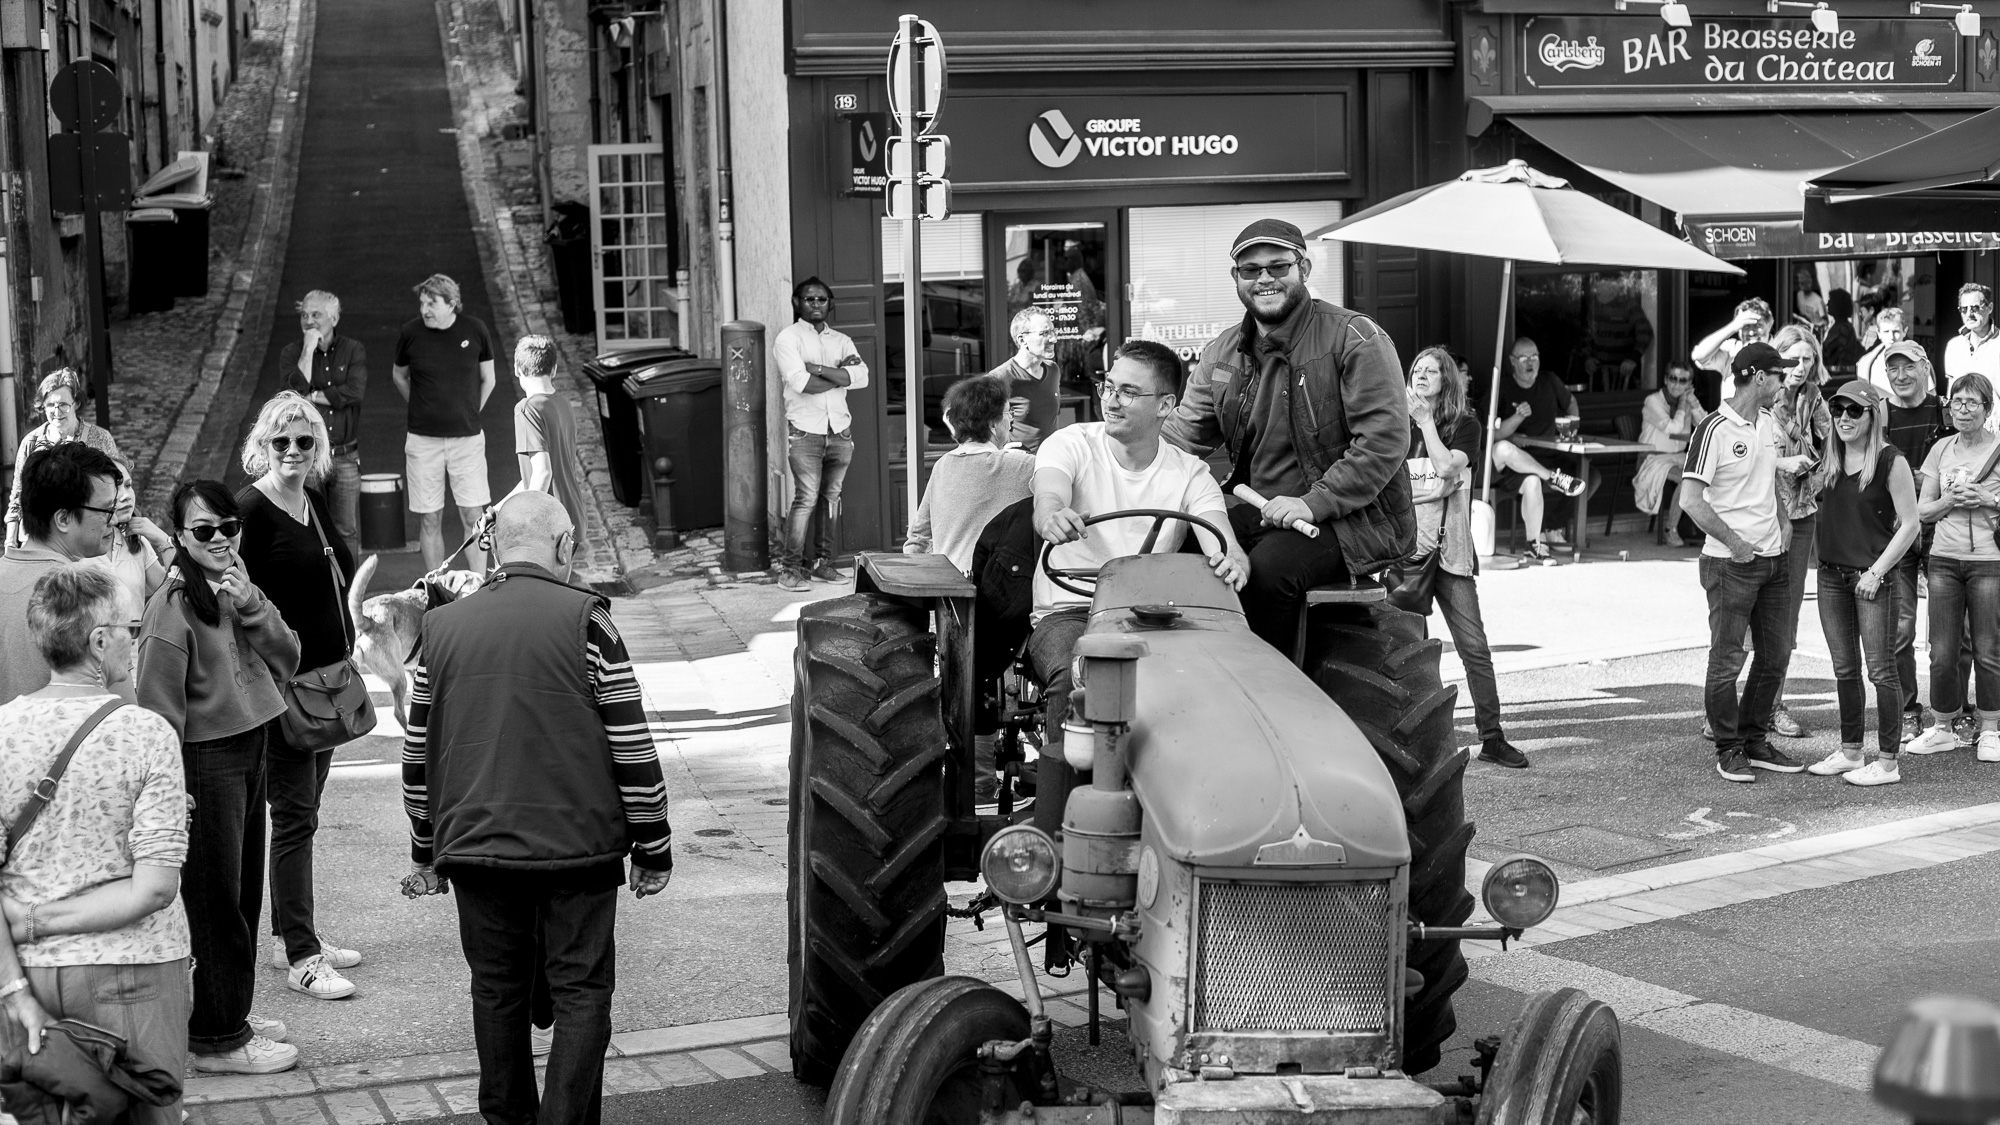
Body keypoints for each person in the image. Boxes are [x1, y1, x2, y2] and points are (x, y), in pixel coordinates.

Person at [400, 491, 673, 1125]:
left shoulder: (439, 631)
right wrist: (653, 844)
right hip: (578, 849)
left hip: (474, 847)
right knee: (581, 993)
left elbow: (417, 760)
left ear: (494, 546)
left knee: (496, 990)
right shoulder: (588, 618)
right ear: (564, 546)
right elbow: (632, 744)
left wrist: (427, 849)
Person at [1163, 218, 1413, 649]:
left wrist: (1310, 503)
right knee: (1178, 553)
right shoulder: (1222, 351)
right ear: (1236, 278)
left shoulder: (1356, 337)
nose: (1265, 278)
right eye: (1251, 269)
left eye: (1278, 267)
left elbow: (1383, 441)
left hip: (1346, 518)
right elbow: (1182, 435)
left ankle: (1271, 696)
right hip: (1256, 509)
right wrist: (1108, 457)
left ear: (1305, 269)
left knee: (1267, 574)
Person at [1033, 340, 1249, 837]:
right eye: (1109, 386)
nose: (1111, 400)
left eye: (1129, 392)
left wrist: (1232, 558)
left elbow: (1220, 536)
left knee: (1212, 688)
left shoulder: (1190, 473)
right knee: (1077, 682)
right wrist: (1051, 514)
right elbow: (1049, 492)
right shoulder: (1070, 445)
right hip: (1072, 611)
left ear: (1166, 406)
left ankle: (1206, 826)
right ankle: (1054, 847)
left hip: (1156, 617)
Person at [0, 566, 192, 1125]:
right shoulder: (145, 732)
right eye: (129, 626)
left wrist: (15, 989)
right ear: (99, 640)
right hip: (134, 970)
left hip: (27, 978)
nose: (135, 638)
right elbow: (155, 887)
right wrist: (38, 920)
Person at [135, 480, 301, 1075]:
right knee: (215, 902)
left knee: (241, 894)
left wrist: (252, 600)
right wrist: (169, 788)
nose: (220, 540)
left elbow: (289, 657)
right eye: (203, 531)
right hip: (206, 762)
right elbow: (156, 712)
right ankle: (219, 1039)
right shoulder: (173, 607)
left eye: (229, 527)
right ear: (179, 537)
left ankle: (230, 1014)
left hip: (252, 742)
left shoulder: (235, 585)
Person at [233, 393, 364, 1001]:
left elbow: (339, 569)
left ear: (318, 449)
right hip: (285, 691)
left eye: (304, 442)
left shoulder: (309, 500)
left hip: (325, 685)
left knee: (303, 816)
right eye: (280, 442)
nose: (292, 452)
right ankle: (302, 957)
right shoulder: (249, 512)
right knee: (291, 819)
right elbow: (230, 601)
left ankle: (295, 930)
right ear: (262, 445)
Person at [1679, 342, 1799, 784]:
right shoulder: (1713, 428)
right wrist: (1735, 542)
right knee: (1727, 659)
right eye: (1779, 375)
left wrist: (1783, 521)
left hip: (1772, 558)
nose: (1784, 383)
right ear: (1759, 377)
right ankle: (1728, 748)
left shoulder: (1767, 421)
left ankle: (1753, 739)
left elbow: (1766, 479)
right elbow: (1690, 500)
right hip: (1731, 563)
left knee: (1776, 655)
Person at [1406, 348, 1528, 769]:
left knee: (1474, 649)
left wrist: (1424, 423)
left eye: (1432, 371)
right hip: (1406, 555)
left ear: (1446, 382)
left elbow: (1444, 467)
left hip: (1451, 553)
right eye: (1417, 370)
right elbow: (1387, 488)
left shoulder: (1465, 426)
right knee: (1409, 651)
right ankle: (1415, 741)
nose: (1421, 376)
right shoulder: (1393, 426)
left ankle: (1492, 738)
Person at [1804, 382, 1921, 787]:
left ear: (1873, 415)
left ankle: (1888, 762)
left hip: (1872, 579)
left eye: (1855, 411)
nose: (1844, 418)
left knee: (1881, 671)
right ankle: (1852, 751)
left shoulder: (1891, 461)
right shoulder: (1829, 458)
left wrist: (1877, 572)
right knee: (1844, 669)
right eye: (1838, 410)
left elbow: (1911, 524)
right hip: (1831, 576)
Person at [1905, 373, 2000, 762]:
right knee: (1941, 651)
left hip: (1989, 560)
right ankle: (1943, 725)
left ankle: (1991, 727)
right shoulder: (1941, 449)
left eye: (1972, 403)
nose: (1963, 409)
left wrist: (1986, 498)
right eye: (1957, 402)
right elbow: (1921, 510)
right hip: (1944, 558)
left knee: (1989, 649)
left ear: (1987, 408)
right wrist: (1948, 501)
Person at [0, 443, 121, 705]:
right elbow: (117, 704)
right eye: (107, 510)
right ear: (63, 519)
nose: (115, 520)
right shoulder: (84, 594)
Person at [393, 274, 497, 573]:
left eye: (431, 303)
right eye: (422, 303)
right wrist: (419, 404)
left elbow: (488, 378)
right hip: (423, 441)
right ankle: (436, 586)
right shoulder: (410, 333)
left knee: (472, 515)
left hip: (467, 440)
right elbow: (399, 376)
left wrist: (471, 411)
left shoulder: (475, 329)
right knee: (429, 517)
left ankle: (477, 586)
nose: (424, 309)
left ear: (452, 304)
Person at [771, 276, 866, 592]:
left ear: (830, 303)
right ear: (797, 302)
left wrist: (820, 369)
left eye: (822, 299)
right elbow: (802, 383)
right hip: (805, 434)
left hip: (839, 432)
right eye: (809, 299)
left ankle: (822, 564)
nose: (816, 304)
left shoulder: (841, 341)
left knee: (830, 499)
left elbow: (861, 376)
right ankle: (789, 569)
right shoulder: (788, 339)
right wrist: (840, 377)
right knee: (806, 499)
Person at [1881, 341, 1954, 741]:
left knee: (1951, 634)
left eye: (1908, 367)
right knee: (1901, 629)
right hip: (1896, 530)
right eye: (1893, 369)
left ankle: (1955, 710)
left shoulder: (1947, 408)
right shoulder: (1880, 414)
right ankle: (1907, 709)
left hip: (1946, 530)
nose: (1901, 376)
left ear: (1925, 367)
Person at [1765, 325, 1833, 741]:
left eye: (1808, 359)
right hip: (1760, 514)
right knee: (1746, 611)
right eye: (1793, 358)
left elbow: (1835, 448)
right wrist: (1778, 465)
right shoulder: (1758, 398)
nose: (1800, 367)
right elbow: (1744, 456)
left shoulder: (1816, 400)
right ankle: (1723, 709)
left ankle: (1772, 705)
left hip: (1801, 512)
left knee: (1786, 614)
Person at [904, 374, 1036, 577]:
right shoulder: (1022, 466)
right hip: (1001, 594)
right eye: (1008, 413)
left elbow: (918, 538)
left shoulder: (942, 465)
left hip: (950, 591)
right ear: (993, 424)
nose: (1011, 420)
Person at [279, 290, 368, 562]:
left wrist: (313, 396)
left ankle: (350, 592)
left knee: (347, 530)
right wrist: (308, 349)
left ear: (334, 317)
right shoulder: (292, 352)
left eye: (316, 315)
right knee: (308, 527)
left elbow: (354, 391)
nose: (309, 321)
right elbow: (293, 396)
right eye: (304, 315)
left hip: (344, 455)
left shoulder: (353, 349)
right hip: (308, 456)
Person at [1487, 337, 1589, 561]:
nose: (1530, 362)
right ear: (1513, 361)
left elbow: (1570, 401)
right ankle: (1552, 480)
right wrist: (1516, 424)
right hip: (1512, 463)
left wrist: (1573, 422)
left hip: (1548, 455)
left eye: (1534, 357)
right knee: (1515, 460)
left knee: (1588, 476)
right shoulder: (1502, 388)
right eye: (1524, 358)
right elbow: (1491, 432)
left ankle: (1544, 534)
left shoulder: (1549, 380)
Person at [5, 369, 122, 549]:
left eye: (63, 404)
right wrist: (10, 542)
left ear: (75, 403)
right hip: (38, 539)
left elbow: (117, 489)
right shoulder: (31, 442)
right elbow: (18, 496)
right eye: (50, 405)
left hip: (84, 539)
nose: (56, 411)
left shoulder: (100, 439)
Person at [501, 336, 588, 539]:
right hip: (570, 515)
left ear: (517, 369)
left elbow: (543, 473)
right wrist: (496, 511)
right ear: (554, 369)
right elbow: (531, 478)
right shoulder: (563, 404)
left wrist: (525, 524)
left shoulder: (527, 409)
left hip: (547, 524)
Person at [1635, 362, 1708, 547]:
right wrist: (1683, 405)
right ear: (1666, 380)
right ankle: (1670, 529)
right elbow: (1672, 428)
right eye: (1673, 379)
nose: (1677, 384)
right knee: (1686, 479)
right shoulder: (1653, 401)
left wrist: (1693, 402)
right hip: (1653, 459)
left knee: (1710, 473)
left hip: (1679, 457)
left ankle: (1705, 528)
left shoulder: (1686, 400)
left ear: (1689, 383)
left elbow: (1706, 426)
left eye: (1683, 380)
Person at [87, 465, 172, 607]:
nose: (125, 496)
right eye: (115, 488)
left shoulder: (135, 541)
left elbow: (172, 593)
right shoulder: (76, 547)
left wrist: (163, 540)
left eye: (128, 485)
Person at [991, 307, 1061, 451]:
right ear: (1022, 340)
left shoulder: (1053, 370)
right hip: (1019, 466)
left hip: (1051, 460)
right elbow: (956, 413)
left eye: (1053, 332)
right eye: (1044, 333)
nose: (1053, 339)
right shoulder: (1001, 377)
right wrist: (997, 450)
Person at [1692, 297, 1776, 413]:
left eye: (1758, 325)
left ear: (1769, 325)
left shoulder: (1781, 350)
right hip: (1732, 427)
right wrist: (1733, 326)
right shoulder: (1732, 349)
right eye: (1746, 326)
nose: (1751, 332)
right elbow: (1699, 355)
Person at [1581, 274, 1654, 389]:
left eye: (1602, 284)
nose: (1597, 288)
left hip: (1624, 375)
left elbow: (1645, 332)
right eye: (1597, 284)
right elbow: (1586, 335)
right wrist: (1587, 358)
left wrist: (1633, 359)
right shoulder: (1594, 306)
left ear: (1613, 288)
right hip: (1599, 374)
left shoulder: (1629, 306)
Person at [1945, 283, 2000, 382]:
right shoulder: (1953, 346)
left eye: (1975, 308)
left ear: (1990, 308)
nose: (1969, 314)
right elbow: (1951, 392)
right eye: (1964, 309)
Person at [1858, 306, 1910, 394]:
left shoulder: (1919, 361)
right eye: (1886, 331)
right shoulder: (1865, 363)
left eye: (1896, 332)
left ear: (1904, 331)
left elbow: (1929, 400)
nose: (1891, 337)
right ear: (1879, 333)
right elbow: (1863, 398)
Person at [1822, 289, 1864, 378]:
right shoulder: (1834, 327)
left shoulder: (1844, 329)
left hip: (1839, 379)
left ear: (1839, 305)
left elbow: (1843, 361)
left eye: (1831, 301)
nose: (1827, 304)